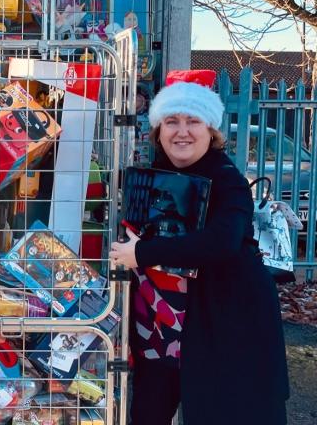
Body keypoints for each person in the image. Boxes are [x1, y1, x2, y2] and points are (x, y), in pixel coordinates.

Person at [110, 70, 289, 425]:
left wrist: (143, 253)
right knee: (148, 413)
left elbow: (221, 242)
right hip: (161, 327)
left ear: (211, 131)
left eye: (193, 121)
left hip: (223, 324)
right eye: (171, 121)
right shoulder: (155, 174)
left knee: (225, 411)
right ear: (159, 131)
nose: (182, 131)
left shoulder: (228, 180)